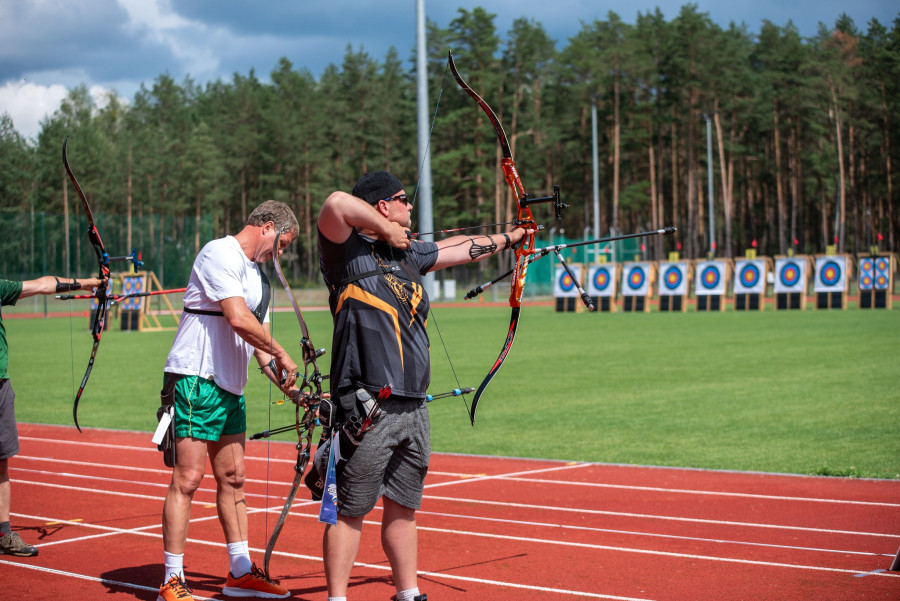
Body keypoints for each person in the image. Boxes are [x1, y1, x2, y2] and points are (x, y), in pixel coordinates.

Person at [316, 171, 531, 601]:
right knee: (349, 510)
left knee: (404, 505)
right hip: (367, 405)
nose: (410, 207)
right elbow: (336, 203)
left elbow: (459, 249)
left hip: (415, 405)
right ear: (381, 206)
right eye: (402, 199)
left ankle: (408, 593)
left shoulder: (410, 255)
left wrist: (513, 236)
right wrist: (386, 232)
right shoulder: (346, 253)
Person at [157, 200, 304, 601]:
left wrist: (292, 389)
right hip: (194, 377)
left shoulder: (262, 279)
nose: (282, 254)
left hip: (230, 386)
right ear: (267, 226)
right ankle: (172, 581)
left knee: (234, 478)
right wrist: (285, 354)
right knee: (187, 479)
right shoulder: (218, 252)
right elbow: (238, 319)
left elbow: (260, 348)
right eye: (283, 244)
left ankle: (240, 572)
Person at [0, 273, 106, 557]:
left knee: (1, 462)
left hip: (1, 385)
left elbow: (42, 285)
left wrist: (86, 283)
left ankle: (3, 534)